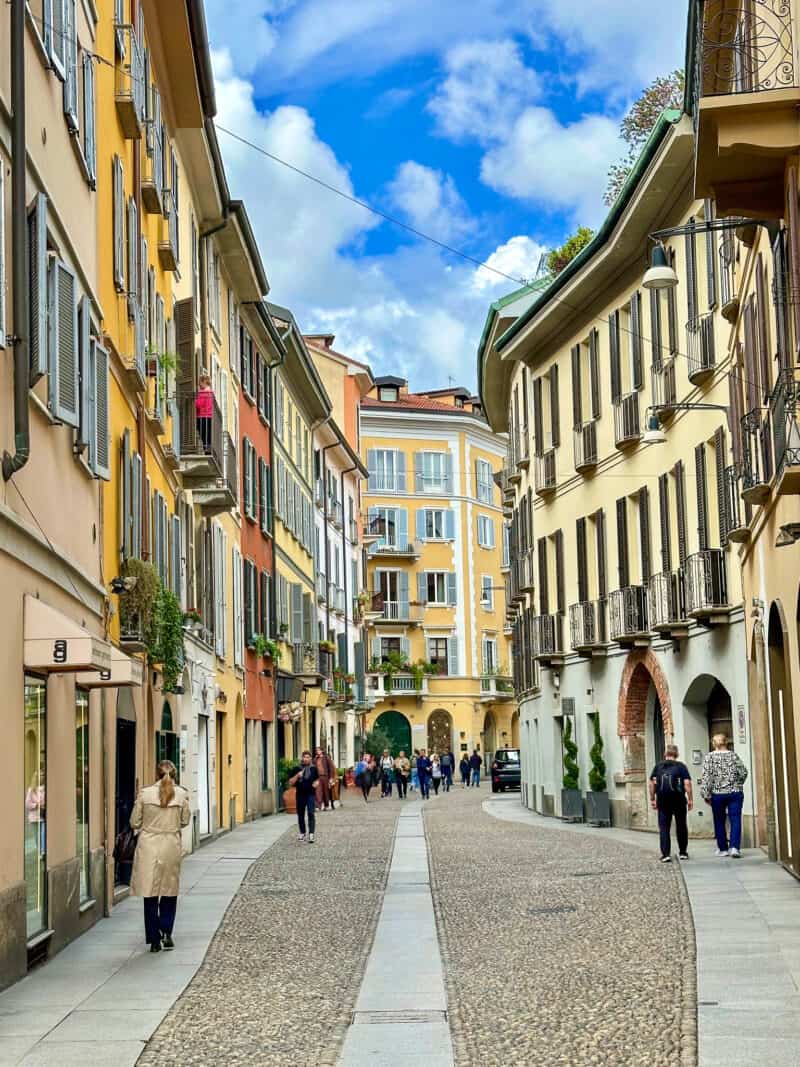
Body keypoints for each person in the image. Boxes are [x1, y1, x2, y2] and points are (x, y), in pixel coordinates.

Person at [130, 760, 190, 952]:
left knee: (150, 892)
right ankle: (167, 932)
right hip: (170, 844)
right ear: (174, 774)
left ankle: (154, 939)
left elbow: (134, 822)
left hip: (148, 846)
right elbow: (185, 820)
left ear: (156, 774)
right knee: (169, 890)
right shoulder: (181, 794)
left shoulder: (145, 793)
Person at [700, 734, 749, 858]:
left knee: (719, 820)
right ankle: (734, 848)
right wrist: (738, 784)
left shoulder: (709, 757)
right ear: (726, 742)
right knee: (735, 819)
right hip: (734, 792)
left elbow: (706, 777)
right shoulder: (733, 755)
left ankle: (723, 849)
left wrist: (706, 794)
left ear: (713, 744)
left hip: (717, 794)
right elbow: (743, 772)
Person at [649, 744, 693, 863]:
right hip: (678, 800)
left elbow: (652, 784)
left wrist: (652, 798)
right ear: (677, 754)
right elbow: (687, 784)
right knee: (681, 826)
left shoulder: (658, 767)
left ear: (665, 754)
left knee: (664, 827)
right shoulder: (681, 767)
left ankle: (665, 854)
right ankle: (683, 852)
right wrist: (690, 799)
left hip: (663, 801)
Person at [289, 751, 319, 842]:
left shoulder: (314, 769)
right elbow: (290, 782)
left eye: (307, 757)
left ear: (310, 758)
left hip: (311, 794)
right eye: (304, 757)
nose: (305, 759)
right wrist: (297, 776)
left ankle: (311, 834)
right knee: (300, 814)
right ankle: (302, 832)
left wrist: (317, 783)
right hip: (300, 794)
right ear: (302, 758)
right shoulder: (296, 768)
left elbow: (318, 779)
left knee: (311, 813)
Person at [195, 374, 214, 453]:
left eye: (200, 382)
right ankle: (208, 449)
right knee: (208, 435)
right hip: (209, 416)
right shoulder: (211, 393)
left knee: (203, 435)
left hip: (202, 416)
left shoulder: (203, 393)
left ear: (204, 382)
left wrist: (194, 401)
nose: (199, 384)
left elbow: (199, 404)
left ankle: (207, 450)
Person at [314, 746, 336, 811]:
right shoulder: (315, 759)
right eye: (316, 750)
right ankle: (318, 806)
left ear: (321, 751)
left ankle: (326, 805)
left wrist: (331, 778)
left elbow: (331, 768)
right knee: (318, 791)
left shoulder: (326, 758)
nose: (317, 751)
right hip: (318, 777)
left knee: (326, 791)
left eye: (318, 750)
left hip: (325, 777)